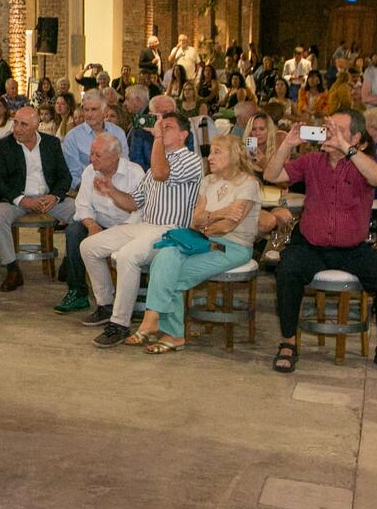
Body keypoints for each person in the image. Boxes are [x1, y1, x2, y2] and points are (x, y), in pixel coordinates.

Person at [264, 111, 377, 376]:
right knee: (287, 273)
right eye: (327, 127)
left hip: (353, 248)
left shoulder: (362, 163)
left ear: (357, 138)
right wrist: (287, 144)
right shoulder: (311, 161)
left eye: (338, 129)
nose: (329, 132)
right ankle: (288, 343)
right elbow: (272, 175)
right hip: (310, 245)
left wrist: (345, 147)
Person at [82, 111, 203, 347]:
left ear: (183, 135)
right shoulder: (154, 166)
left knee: (128, 256)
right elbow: (133, 203)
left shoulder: (191, 160)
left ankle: (119, 323)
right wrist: (110, 190)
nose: (161, 129)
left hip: (171, 229)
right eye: (161, 127)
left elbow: (161, 173)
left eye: (168, 127)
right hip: (145, 225)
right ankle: (106, 304)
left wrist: (157, 138)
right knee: (89, 246)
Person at [132, 135, 260, 353]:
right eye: (210, 152)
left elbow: (227, 228)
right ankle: (157, 321)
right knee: (166, 255)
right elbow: (195, 220)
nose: (210, 157)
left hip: (233, 246)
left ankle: (166, 328)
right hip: (202, 240)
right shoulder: (208, 180)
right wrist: (219, 213)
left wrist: (206, 224)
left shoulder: (248, 184)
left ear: (235, 155)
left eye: (217, 152)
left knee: (168, 273)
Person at [52, 133, 145, 314]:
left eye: (98, 155)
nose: (92, 158)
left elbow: (140, 210)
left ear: (115, 156)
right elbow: (82, 205)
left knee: (134, 243)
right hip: (99, 224)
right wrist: (92, 226)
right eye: (91, 153)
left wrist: (120, 232)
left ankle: (131, 299)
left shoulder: (135, 173)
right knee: (73, 231)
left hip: (128, 226)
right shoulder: (89, 171)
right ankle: (77, 292)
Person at [0, 105, 76, 292]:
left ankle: (70, 261)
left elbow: (65, 177)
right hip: (16, 200)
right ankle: (12, 268)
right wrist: (20, 199)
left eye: (24, 125)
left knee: (79, 211)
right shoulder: (3, 146)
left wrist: (55, 196)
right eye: (16, 123)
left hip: (47, 199)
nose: (17, 128)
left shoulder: (51, 144)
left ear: (36, 126)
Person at [62, 90, 129, 185]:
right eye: (86, 109)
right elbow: (73, 175)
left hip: (118, 187)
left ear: (104, 111)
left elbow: (125, 164)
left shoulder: (118, 132)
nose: (89, 114)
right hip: (85, 189)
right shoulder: (72, 137)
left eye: (94, 109)